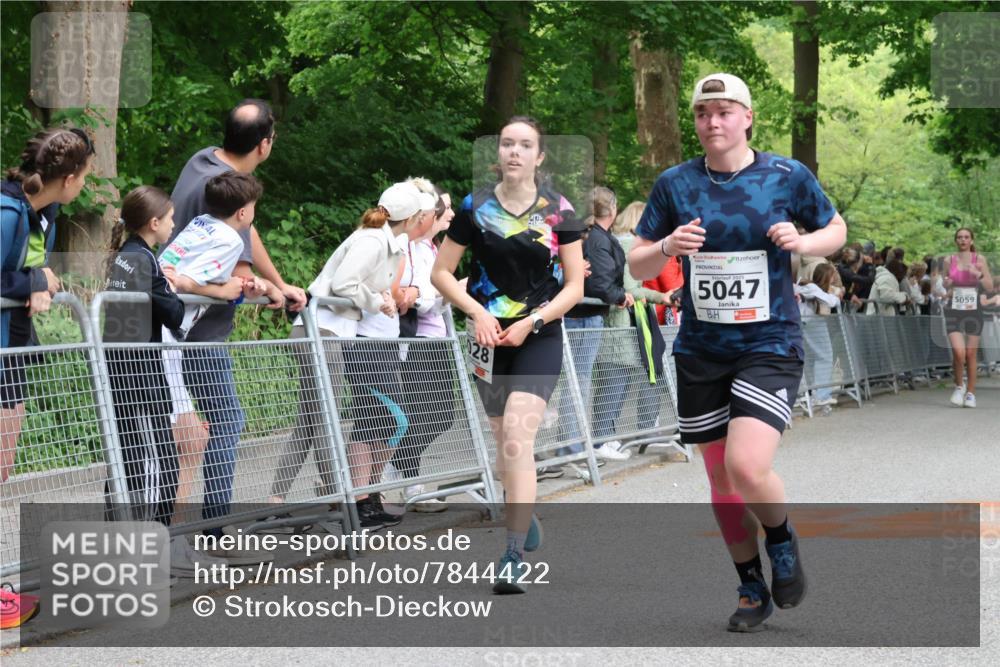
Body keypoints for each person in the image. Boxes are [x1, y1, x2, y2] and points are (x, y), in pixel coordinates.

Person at [627, 73, 846, 631]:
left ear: (747, 118)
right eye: (703, 114)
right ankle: (751, 586)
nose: (713, 122)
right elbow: (638, 264)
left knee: (749, 466)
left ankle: (781, 538)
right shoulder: (675, 183)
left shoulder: (784, 175)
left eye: (724, 112)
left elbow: (836, 230)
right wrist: (667, 247)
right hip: (702, 348)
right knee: (721, 480)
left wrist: (805, 243)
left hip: (769, 341)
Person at [432, 115, 585, 594]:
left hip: (538, 334)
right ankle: (526, 511)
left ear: (539, 157)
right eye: (506, 144)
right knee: (504, 445)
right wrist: (476, 311)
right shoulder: (474, 207)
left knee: (518, 439)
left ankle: (512, 556)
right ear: (497, 154)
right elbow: (441, 272)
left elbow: (577, 286)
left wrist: (534, 322)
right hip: (488, 338)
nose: (514, 152)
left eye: (524, 145)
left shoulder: (559, 211)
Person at [162, 100, 302, 561]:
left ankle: (179, 537)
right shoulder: (222, 210)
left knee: (179, 429)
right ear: (265, 145)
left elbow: (249, 230)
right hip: (193, 332)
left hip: (172, 322)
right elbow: (238, 271)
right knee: (221, 421)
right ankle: (213, 532)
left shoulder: (204, 165)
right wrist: (266, 289)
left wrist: (280, 283)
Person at [269, 182, 427, 530]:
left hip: (327, 334)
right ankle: (340, 503)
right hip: (322, 333)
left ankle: (284, 501)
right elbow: (343, 284)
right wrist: (378, 301)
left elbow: (355, 283)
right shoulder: (372, 240)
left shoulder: (379, 239)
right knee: (320, 421)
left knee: (312, 422)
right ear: (412, 218)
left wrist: (377, 295)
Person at [0, 126, 93, 629]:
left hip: (15, 349)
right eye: (86, 176)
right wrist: (36, 280)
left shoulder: (45, 212)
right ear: (71, 177)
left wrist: (37, 283)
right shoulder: (8, 211)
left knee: (3, 467)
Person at [103, 186, 185, 529]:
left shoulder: (123, 254)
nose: (173, 224)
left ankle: (120, 531)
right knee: (158, 455)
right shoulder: (146, 259)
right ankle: (156, 533)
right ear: (153, 222)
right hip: (142, 372)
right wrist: (171, 288)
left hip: (117, 367)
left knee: (126, 453)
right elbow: (175, 314)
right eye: (169, 219)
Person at [384, 180, 457, 512]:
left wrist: (444, 294)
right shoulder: (408, 246)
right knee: (418, 414)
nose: (451, 213)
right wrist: (439, 294)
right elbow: (414, 295)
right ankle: (404, 481)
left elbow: (429, 297)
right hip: (416, 339)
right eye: (445, 208)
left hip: (436, 336)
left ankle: (395, 471)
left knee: (442, 414)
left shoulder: (432, 248)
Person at [558, 186, 633, 461]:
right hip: (582, 317)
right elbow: (600, 282)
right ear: (612, 210)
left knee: (579, 380)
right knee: (578, 381)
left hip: (584, 315)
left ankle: (572, 445)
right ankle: (572, 446)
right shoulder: (597, 239)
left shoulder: (592, 236)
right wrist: (620, 296)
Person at [942, 227, 993, 408]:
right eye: (959, 237)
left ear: (971, 240)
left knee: (971, 353)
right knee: (958, 352)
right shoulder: (949, 260)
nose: (963, 240)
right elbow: (945, 286)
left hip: (973, 310)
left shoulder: (979, 259)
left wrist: (976, 273)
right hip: (954, 309)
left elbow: (989, 286)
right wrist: (947, 285)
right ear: (956, 241)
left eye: (966, 237)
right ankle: (959, 386)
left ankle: (970, 393)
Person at [795, 263, 843, 409]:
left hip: (802, 323)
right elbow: (829, 301)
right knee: (825, 356)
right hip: (812, 324)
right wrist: (837, 296)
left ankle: (802, 394)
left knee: (806, 359)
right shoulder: (812, 288)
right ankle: (821, 395)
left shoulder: (806, 285)